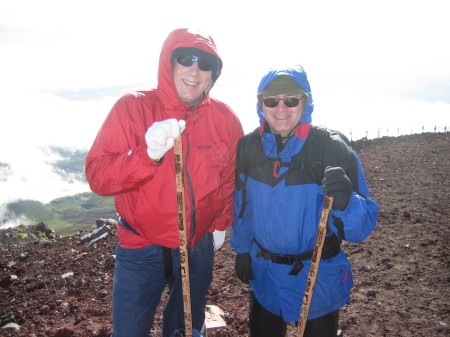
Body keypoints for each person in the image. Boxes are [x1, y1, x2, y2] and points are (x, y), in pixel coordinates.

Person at [85, 28, 243, 337]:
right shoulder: (132, 108)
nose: (194, 70)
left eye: (205, 64)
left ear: (214, 74)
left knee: (184, 329)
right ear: (168, 64)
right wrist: (148, 154)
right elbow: (99, 176)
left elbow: (229, 181)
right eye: (186, 59)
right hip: (141, 246)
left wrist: (221, 224)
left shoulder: (225, 119)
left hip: (197, 246)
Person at [230, 64, 378, 337]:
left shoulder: (331, 148)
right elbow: (243, 207)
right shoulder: (248, 148)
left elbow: (361, 229)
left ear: (306, 102)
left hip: (318, 275)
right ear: (261, 105)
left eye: (291, 100)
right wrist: (241, 250)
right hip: (265, 276)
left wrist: (347, 201)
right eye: (272, 101)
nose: (281, 108)